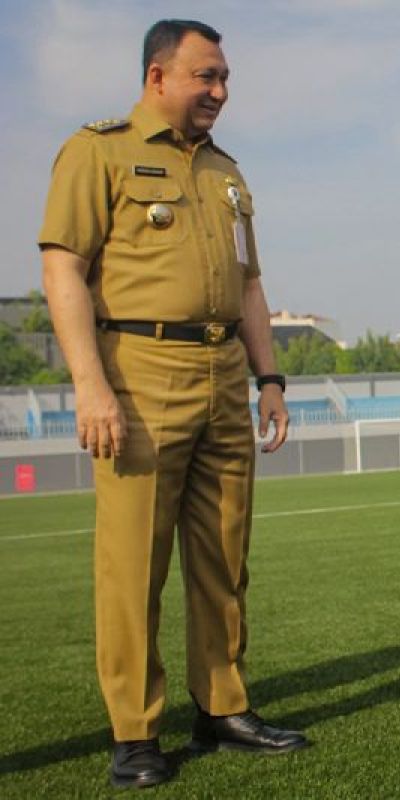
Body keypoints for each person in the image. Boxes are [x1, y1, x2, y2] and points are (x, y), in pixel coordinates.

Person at [39, 19, 307, 789]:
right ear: (159, 76)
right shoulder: (99, 151)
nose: (219, 92)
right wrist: (90, 385)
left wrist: (271, 379)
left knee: (224, 555)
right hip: (139, 370)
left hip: (224, 370)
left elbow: (251, 284)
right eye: (206, 77)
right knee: (133, 566)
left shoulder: (225, 170)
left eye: (224, 79)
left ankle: (223, 708)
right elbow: (64, 271)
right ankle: (135, 732)